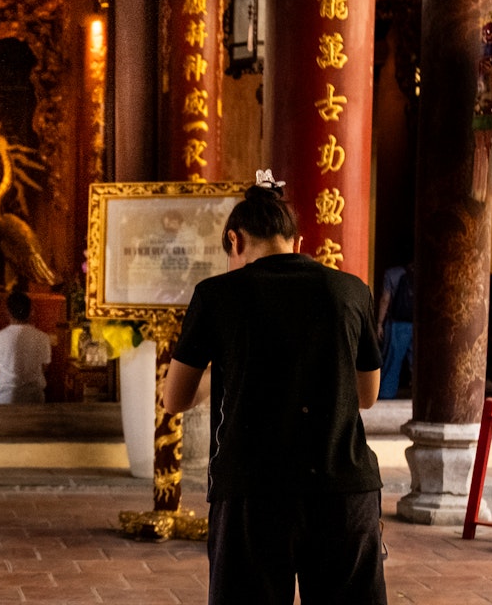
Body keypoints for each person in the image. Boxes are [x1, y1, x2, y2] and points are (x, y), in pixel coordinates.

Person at [159, 184, 386, 605]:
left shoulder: (217, 294)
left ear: (235, 240)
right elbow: (367, 394)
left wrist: (228, 369)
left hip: (253, 490)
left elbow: (175, 398)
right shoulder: (351, 290)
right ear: (298, 243)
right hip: (344, 486)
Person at [0, 291, 51, 404]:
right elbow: (45, 366)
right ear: (31, 312)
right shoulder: (43, 337)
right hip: (34, 398)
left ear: (7, 312)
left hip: (5, 398)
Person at [376, 262, 416, 400]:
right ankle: (419, 396)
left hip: (398, 324)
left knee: (392, 360)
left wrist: (380, 323)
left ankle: (386, 394)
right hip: (418, 324)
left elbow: (385, 299)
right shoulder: (423, 271)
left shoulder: (391, 273)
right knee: (416, 362)